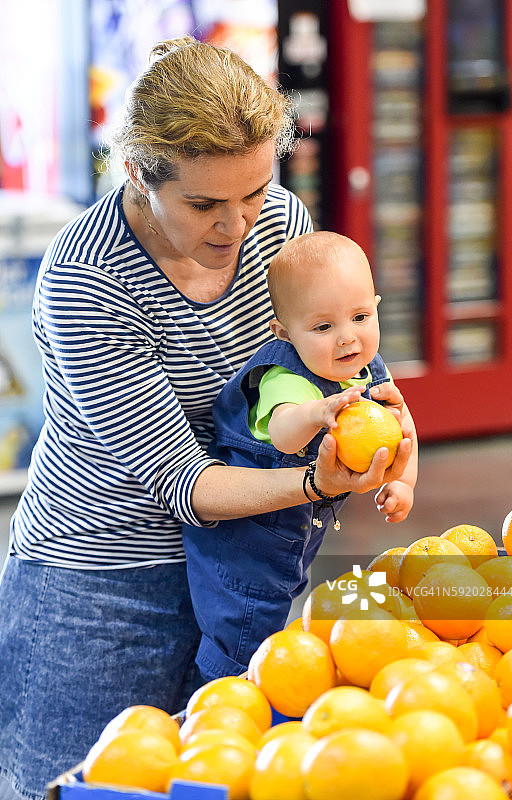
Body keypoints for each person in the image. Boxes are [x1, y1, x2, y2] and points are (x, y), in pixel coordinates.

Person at [0, 36, 414, 800]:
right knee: (83, 784)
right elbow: (185, 484)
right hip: (101, 587)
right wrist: (316, 484)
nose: (239, 224)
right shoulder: (87, 276)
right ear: (137, 172)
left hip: (237, 570)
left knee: (219, 777)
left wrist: (385, 412)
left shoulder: (281, 222)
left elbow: (333, 353)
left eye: (254, 190)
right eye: (204, 204)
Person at [182, 231, 418, 681]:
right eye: (323, 327)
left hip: (297, 531)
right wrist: (316, 412)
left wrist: (402, 482)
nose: (347, 338)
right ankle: (225, 697)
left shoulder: (368, 369)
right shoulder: (285, 377)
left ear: (376, 306)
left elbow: (403, 430)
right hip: (245, 540)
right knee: (244, 631)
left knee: (279, 612)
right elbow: (284, 434)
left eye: (360, 317)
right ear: (285, 333)